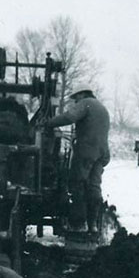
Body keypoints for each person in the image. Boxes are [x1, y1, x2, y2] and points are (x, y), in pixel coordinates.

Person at [45, 85, 110, 232]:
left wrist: (49, 123)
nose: (75, 102)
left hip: (87, 151)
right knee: (93, 186)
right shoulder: (101, 108)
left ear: (81, 95)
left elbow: (69, 117)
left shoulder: (86, 103)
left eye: (75, 99)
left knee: (77, 184)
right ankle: (92, 224)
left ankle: (78, 224)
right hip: (102, 153)